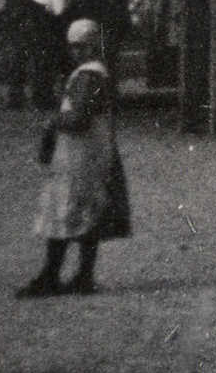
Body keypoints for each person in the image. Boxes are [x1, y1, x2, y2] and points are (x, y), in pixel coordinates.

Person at [21, 18, 132, 297]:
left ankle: (53, 274)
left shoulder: (89, 75)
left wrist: (52, 122)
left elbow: (80, 118)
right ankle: (83, 275)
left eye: (82, 46)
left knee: (65, 208)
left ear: (93, 46)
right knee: (85, 211)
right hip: (91, 149)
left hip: (80, 153)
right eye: (73, 47)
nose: (76, 52)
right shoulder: (97, 72)